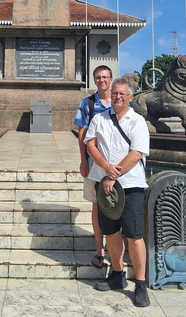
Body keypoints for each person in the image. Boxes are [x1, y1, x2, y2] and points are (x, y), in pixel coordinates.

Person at [84, 77, 151, 307]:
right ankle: (116, 274)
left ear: (130, 97)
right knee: (111, 232)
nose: (117, 97)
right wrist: (105, 168)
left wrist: (114, 175)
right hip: (104, 183)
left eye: (122, 94)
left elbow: (137, 153)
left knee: (134, 235)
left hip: (130, 186)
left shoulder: (137, 121)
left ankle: (141, 284)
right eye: (115, 93)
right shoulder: (99, 117)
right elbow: (90, 144)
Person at [74, 65, 113, 269]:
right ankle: (99, 249)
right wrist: (83, 161)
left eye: (105, 77)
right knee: (97, 207)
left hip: (116, 166)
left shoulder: (119, 102)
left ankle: (116, 248)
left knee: (117, 207)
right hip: (94, 164)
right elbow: (82, 133)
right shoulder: (88, 103)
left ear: (111, 78)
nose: (101, 80)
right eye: (98, 77)